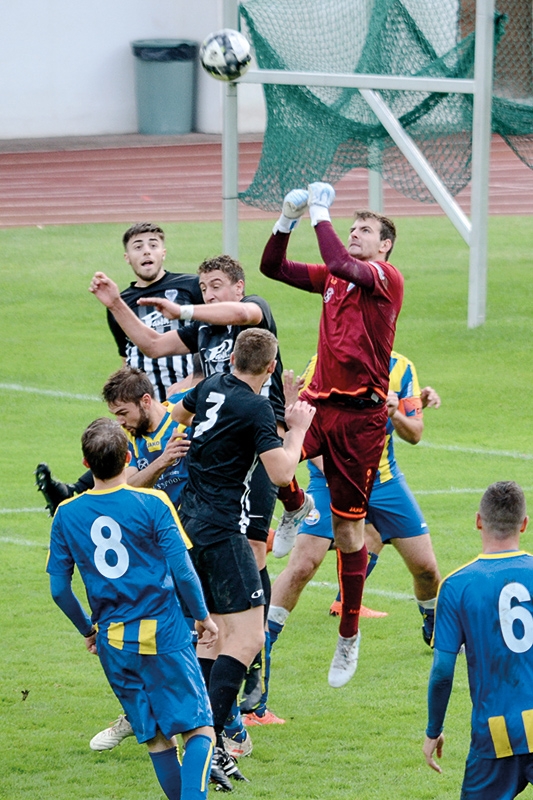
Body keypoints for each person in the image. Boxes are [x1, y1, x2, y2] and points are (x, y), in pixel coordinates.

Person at [260, 183, 404, 687]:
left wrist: (320, 213)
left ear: (385, 245)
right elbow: (272, 268)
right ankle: (295, 505)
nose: (355, 234)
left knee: (347, 533)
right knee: (270, 459)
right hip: (318, 406)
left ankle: (348, 635)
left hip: (362, 422)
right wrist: (287, 219)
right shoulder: (333, 279)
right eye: (351, 228)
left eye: (365, 230)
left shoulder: (385, 278)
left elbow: (341, 262)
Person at [172, 328, 315, 788]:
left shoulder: (212, 384)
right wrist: (297, 429)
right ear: (270, 367)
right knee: (250, 637)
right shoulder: (255, 408)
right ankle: (209, 740)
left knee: (213, 635)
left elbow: (178, 413)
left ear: (232, 357)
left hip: (190, 523)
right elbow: (282, 471)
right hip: (222, 530)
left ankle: (201, 739)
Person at [47, 417, 218, 800]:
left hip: (114, 641)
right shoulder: (153, 502)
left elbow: (59, 590)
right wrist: (203, 617)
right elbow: (183, 571)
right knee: (200, 730)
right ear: (128, 458)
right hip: (165, 633)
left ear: (86, 464)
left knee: (157, 738)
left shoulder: (66, 514)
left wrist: (88, 630)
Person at [266, 352, 441, 693]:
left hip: (384, 482)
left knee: (426, 569)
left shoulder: (403, 368)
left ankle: (432, 622)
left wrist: (395, 414)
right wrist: (335, 472)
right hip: (330, 477)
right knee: (303, 565)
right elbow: (305, 428)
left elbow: (415, 432)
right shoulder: (324, 361)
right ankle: (262, 642)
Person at [423, 481, 533, 799]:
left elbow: (443, 670)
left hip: (495, 732)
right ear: (524, 524)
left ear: (478, 521)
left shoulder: (457, 585)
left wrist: (433, 730)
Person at [108, 221, 203, 402]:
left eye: (153, 245)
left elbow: (212, 338)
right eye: (138, 247)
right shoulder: (120, 303)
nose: (146, 251)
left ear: (163, 253)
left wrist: (192, 379)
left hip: (189, 397)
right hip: (146, 403)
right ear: (127, 257)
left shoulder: (191, 286)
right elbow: (126, 356)